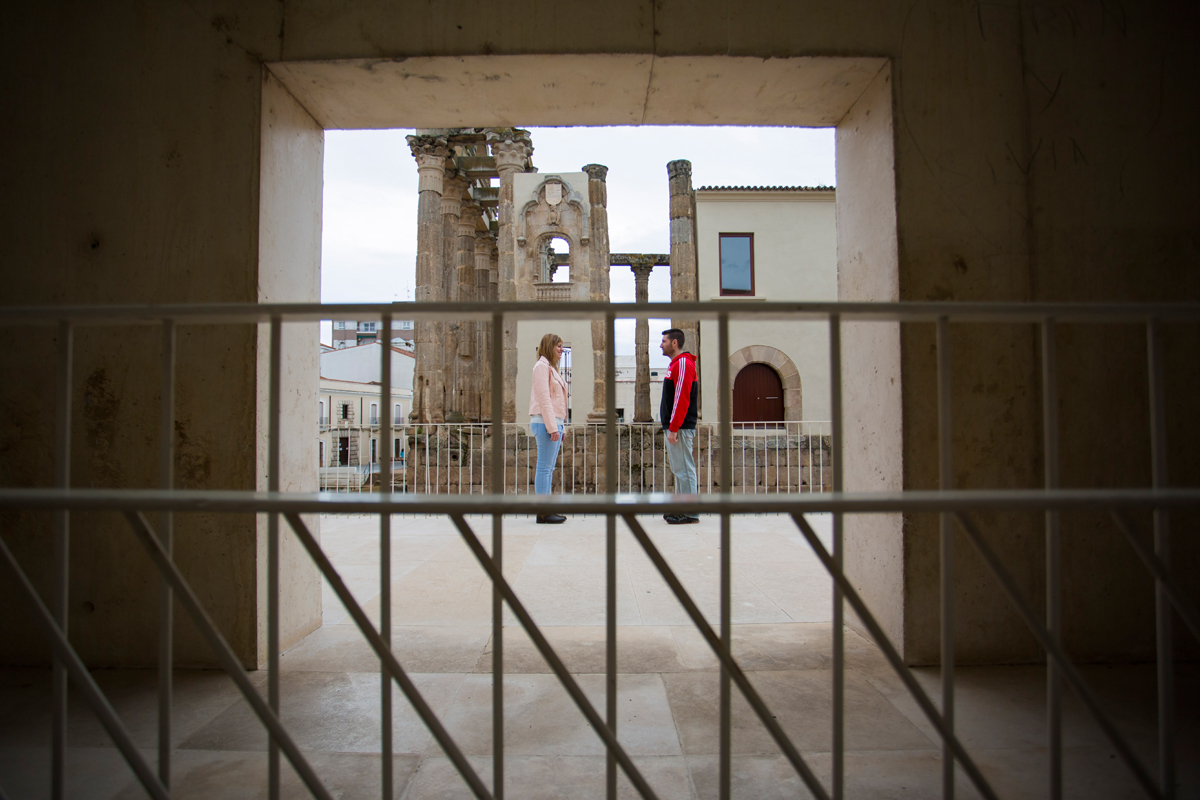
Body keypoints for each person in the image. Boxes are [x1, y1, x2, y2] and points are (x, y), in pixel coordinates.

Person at [659, 328, 699, 524]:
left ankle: (690, 512)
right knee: (680, 469)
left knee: (684, 468)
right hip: (676, 426)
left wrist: (674, 427)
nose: (661, 345)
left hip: (680, 427)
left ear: (674, 343)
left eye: (664, 341)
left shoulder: (682, 363)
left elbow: (681, 397)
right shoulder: (676, 364)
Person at [528, 333, 569, 524]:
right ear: (548, 346)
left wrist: (561, 427)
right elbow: (544, 398)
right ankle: (543, 512)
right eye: (558, 346)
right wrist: (553, 427)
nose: (561, 349)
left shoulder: (550, 368)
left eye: (562, 346)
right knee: (544, 468)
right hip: (545, 423)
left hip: (553, 423)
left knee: (548, 468)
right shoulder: (541, 367)